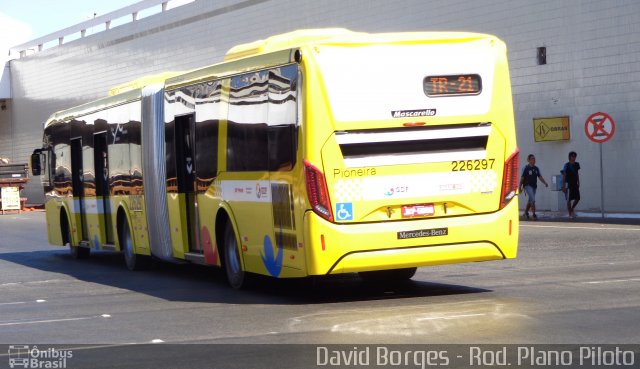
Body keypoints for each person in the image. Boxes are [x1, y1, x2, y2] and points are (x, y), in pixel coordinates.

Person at [519, 154, 548, 220]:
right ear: (528, 160)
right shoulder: (526, 168)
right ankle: (534, 214)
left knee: (530, 200)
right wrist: (519, 187)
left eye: (534, 158)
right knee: (533, 199)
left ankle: (526, 212)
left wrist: (545, 183)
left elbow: (540, 177)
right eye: (532, 158)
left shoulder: (536, 168)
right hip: (527, 186)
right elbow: (522, 178)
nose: (534, 160)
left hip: (534, 186)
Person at [562, 151, 581, 218]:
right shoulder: (566, 165)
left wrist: (578, 182)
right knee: (569, 200)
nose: (574, 157)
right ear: (569, 157)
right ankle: (570, 214)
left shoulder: (577, 164)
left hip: (575, 183)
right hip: (568, 184)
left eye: (575, 156)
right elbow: (564, 175)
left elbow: (577, 173)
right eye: (572, 156)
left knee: (578, 198)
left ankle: (572, 209)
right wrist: (563, 185)